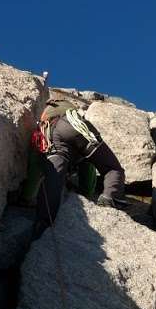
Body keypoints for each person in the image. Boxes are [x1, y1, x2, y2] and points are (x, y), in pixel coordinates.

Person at [33, 98, 127, 230]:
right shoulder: (67, 106)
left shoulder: (46, 111)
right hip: (72, 124)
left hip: (50, 133)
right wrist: (86, 192)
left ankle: (43, 223)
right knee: (112, 167)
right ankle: (109, 199)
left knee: (54, 176)